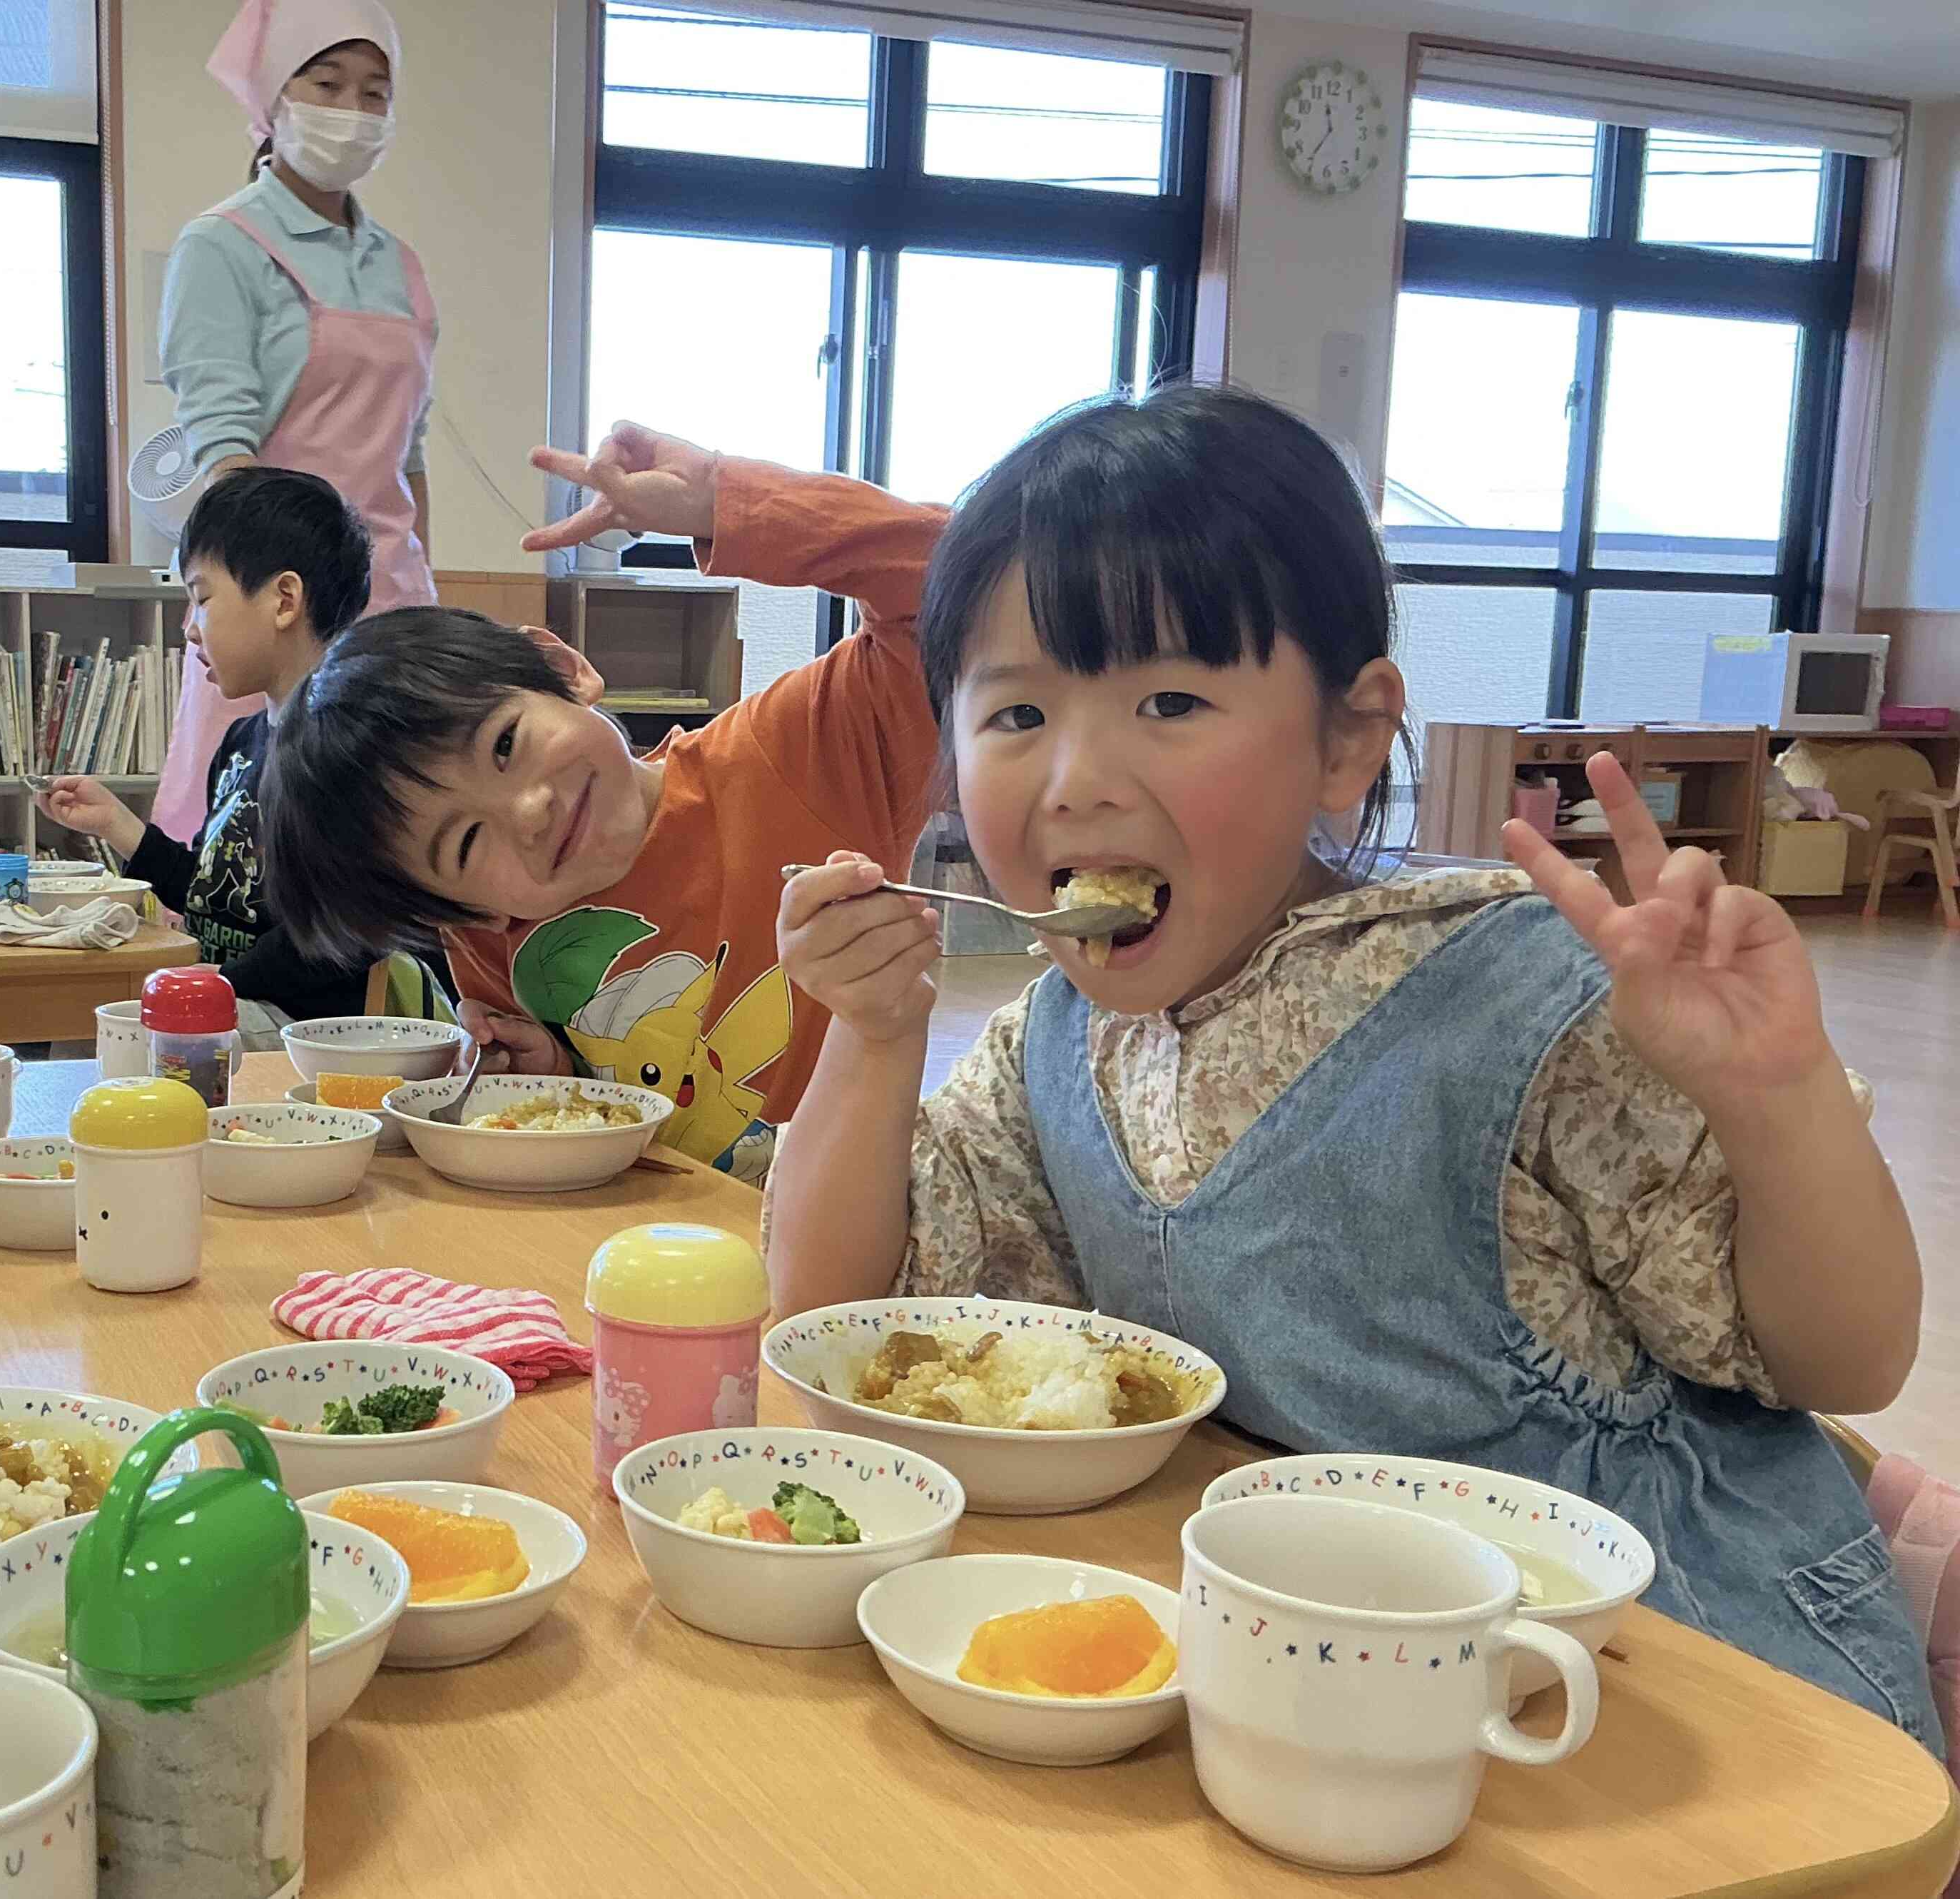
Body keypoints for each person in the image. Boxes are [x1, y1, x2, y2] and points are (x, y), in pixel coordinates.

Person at [764, 382, 1936, 1746]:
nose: (1076, 776)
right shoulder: (1056, 1041)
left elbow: (1847, 1359)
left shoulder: (1524, 994)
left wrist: (1772, 1096)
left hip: (1667, 1681)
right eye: (1015, 716)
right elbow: (824, 1319)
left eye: (1167, 698)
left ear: (1345, 739)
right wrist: (873, 1028)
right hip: (1343, 1687)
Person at [260, 422, 945, 1181]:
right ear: (464, 913)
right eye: (463, 845)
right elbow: (608, 1122)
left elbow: (960, 582)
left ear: (561, 667)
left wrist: (725, 499)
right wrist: (551, 1068)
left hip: (854, 1245)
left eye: (505, 744)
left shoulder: (799, 754)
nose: (527, 813)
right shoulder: (496, 942)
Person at [153, 0, 438, 841]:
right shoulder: (224, 245)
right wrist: (250, 609)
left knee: (388, 848)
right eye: (328, 83)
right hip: (274, 599)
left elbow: (409, 456)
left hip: (388, 593)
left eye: (375, 91)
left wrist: (427, 595)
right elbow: (222, 444)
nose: (352, 109)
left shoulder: (402, 267)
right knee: (263, 844)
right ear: (276, 97)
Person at [41, 465, 430, 1034]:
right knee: (91, 1011)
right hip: (234, 1001)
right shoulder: (241, 744)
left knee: (125, 1032)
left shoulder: (349, 750)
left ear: (284, 600)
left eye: (201, 598)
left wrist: (213, 984)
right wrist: (117, 824)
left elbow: (333, 936)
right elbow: (213, 896)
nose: (190, 629)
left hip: (302, 1027)